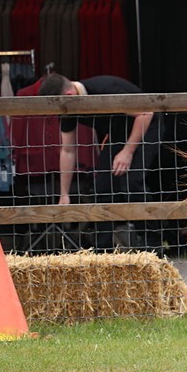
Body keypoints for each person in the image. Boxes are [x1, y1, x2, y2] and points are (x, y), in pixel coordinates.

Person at [38, 72, 159, 250]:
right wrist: (64, 193)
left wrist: (127, 151)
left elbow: (146, 112)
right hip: (117, 134)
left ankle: (152, 244)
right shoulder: (67, 106)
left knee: (132, 181)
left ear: (69, 96)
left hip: (146, 124)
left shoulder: (105, 89)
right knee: (102, 186)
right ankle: (104, 250)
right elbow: (68, 149)